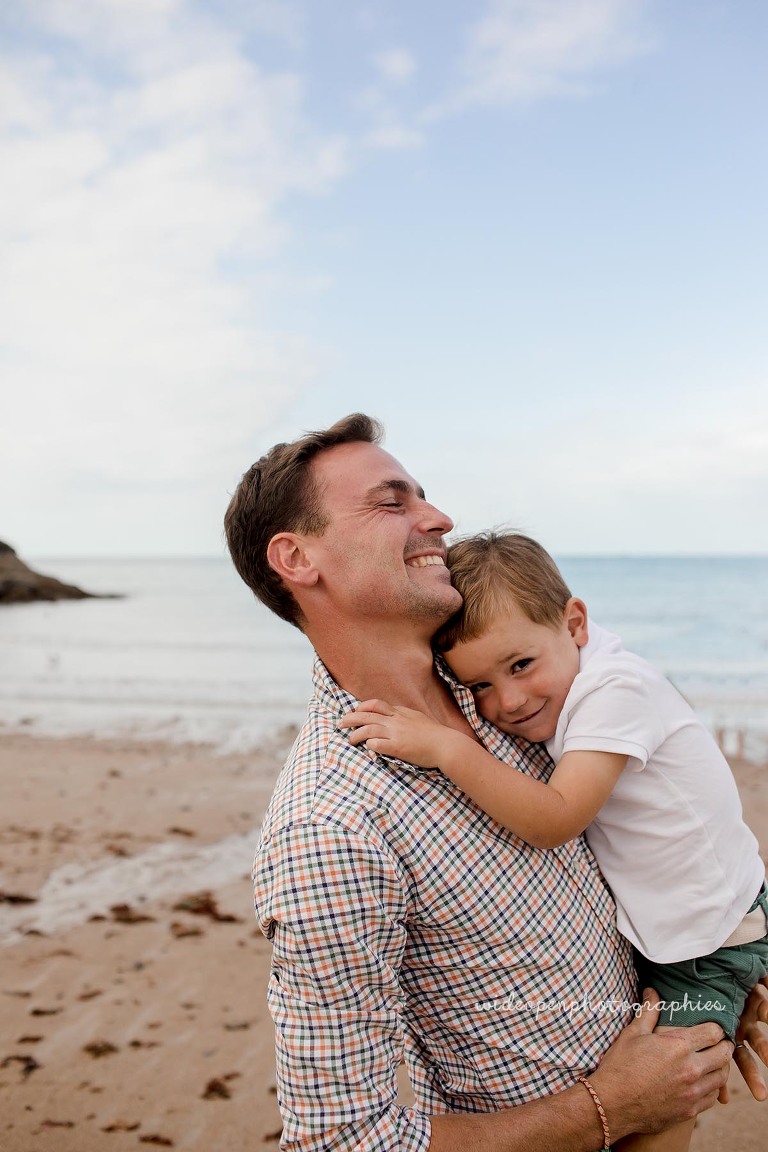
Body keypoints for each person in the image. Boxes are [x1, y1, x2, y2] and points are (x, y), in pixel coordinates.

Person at [224, 414, 768, 1152]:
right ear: (297, 557)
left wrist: (719, 973)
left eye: (424, 496)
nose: (439, 518)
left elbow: (660, 823)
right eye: (392, 503)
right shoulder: (332, 826)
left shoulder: (510, 698)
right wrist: (610, 1104)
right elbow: (342, 1140)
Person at [341, 531, 768, 1151]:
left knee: (666, 1104)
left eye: (520, 665)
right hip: (676, 929)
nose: (509, 700)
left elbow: (556, 817)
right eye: (478, 686)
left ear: (575, 623)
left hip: (707, 941)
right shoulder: (564, 688)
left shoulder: (616, 691)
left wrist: (446, 747)